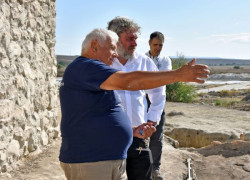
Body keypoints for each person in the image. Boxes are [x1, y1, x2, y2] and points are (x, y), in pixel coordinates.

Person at [59, 28, 209, 180]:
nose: (115, 53)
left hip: (104, 159)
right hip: (91, 161)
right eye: (112, 48)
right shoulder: (85, 67)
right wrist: (177, 75)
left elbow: (96, 115)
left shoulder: (92, 72)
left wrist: (133, 131)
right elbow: (129, 81)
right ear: (94, 46)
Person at [108, 17, 166, 180]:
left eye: (135, 38)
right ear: (115, 39)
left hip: (138, 136)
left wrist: (151, 121)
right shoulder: (103, 63)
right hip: (110, 137)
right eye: (130, 39)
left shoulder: (144, 62)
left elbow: (159, 92)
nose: (134, 43)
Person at [145, 31, 171, 180]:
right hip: (142, 100)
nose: (158, 48)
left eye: (161, 45)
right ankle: (140, 167)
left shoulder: (166, 60)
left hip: (158, 101)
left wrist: (149, 79)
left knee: (157, 136)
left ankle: (155, 168)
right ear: (149, 43)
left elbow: (163, 79)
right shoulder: (141, 59)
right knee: (138, 135)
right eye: (155, 44)